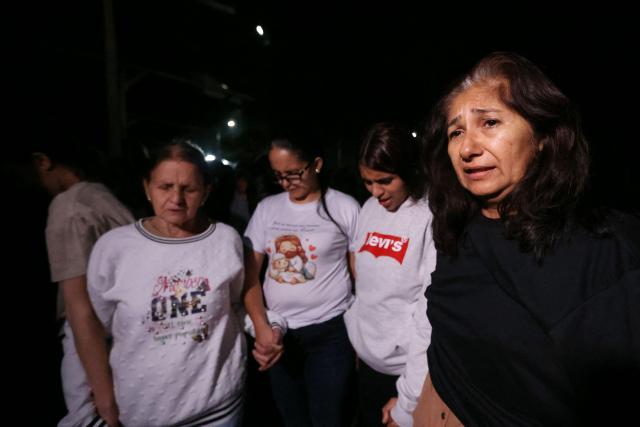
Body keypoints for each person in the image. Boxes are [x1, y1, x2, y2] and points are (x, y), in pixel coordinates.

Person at [415, 52, 640, 426]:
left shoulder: (593, 254)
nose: (467, 148)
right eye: (456, 132)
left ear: (541, 137)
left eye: (489, 122)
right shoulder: (459, 227)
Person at [85, 140, 284, 427]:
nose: (176, 199)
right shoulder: (114, 248)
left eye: (188, 189)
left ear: (206, 191)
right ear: (147, 188)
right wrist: (100, 394)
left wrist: (270, 328)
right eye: (165, 187)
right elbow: (93, 328)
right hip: (140, 410)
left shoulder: (225, 239)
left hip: (218, 408)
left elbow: (237, 305)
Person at [243, 131, 360, 426]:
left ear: (316, 164)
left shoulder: (343, 207)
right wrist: (262, 327)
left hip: (330, 334)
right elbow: (249, 277)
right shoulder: (267, 209)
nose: (285, 183)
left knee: (328, 418)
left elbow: (361, 276)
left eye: (293, 173)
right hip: (279, 334)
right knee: (291, 417)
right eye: (278, 175)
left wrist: (363, 335)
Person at [32, 139, 134, 427]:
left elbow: (79, 304)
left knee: (89, 419)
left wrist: (102, 397)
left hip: (93, 337)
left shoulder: (68, 207)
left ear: (43, 160)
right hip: (121, 329)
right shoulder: (100, 194)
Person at [344, 123, 435, 427]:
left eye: (384, 181)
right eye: (367, 182)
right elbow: (360, 273)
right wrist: (361, 339)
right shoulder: (369, 208)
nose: (375, 191)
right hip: (369, 361)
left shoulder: (430, 215)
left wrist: (408, 400)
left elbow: (430, 312)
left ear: (409, 170)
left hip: (407, 368)